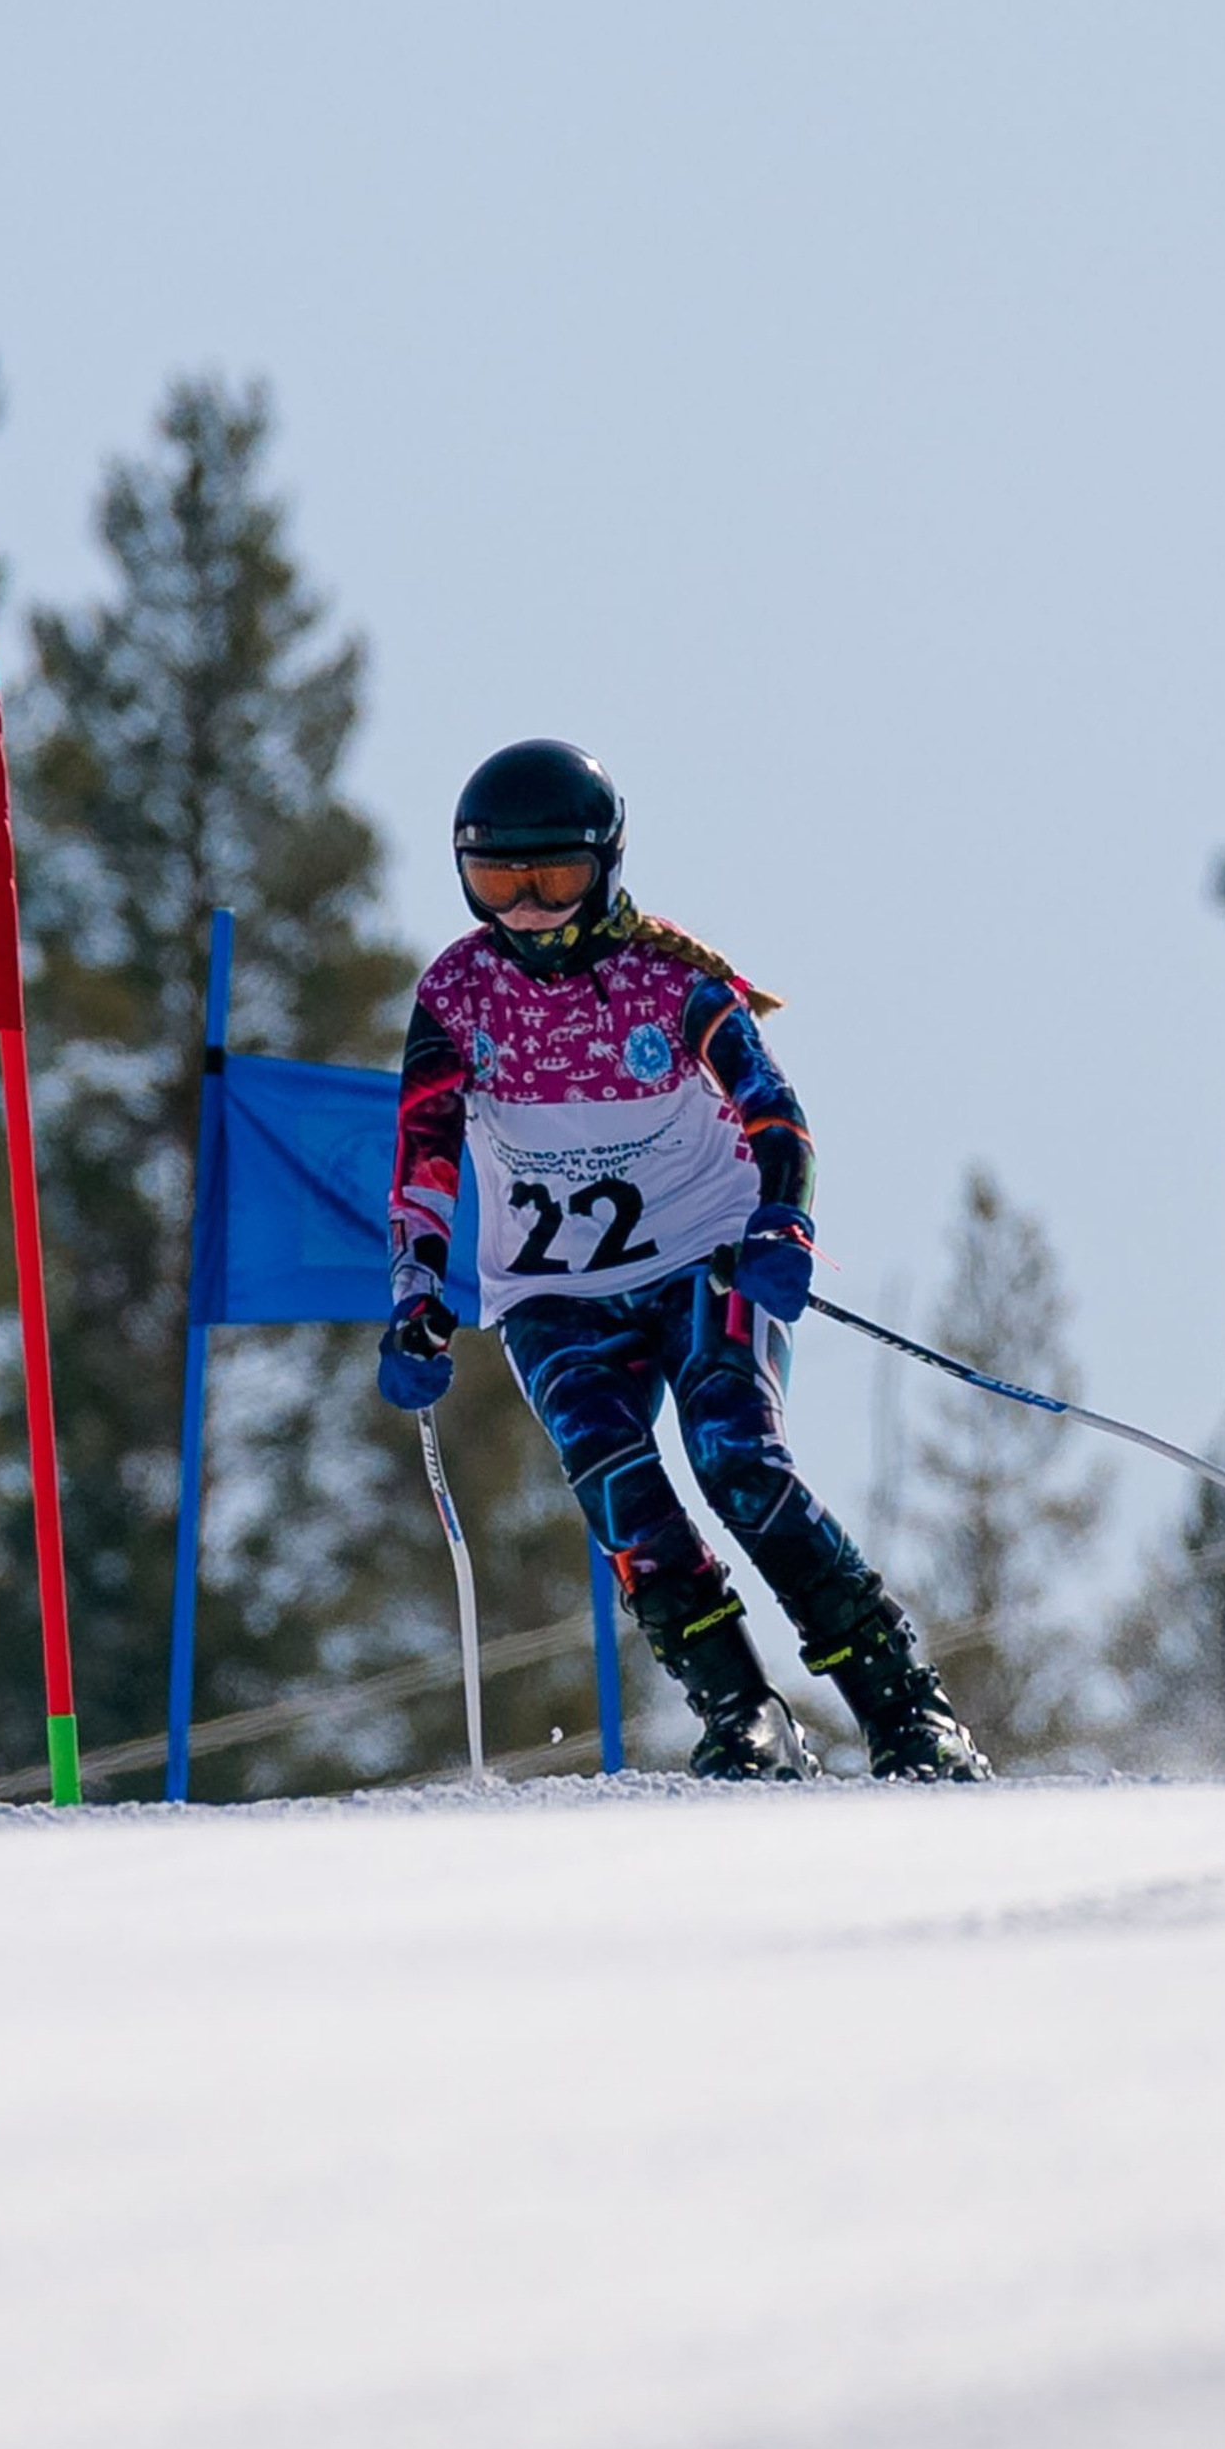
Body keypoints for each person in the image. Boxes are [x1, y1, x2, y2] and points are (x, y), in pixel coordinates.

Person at [379, 739, 989, 1782]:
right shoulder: (456, 994)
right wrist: (418, 1290)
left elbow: (775, 1116)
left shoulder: (671, 982)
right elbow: (425, 1151)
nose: (527, 910)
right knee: (622, 1493)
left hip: (701, 1265)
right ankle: (745, 1712)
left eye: (552, 879)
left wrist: (781, 1223)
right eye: (498, 883)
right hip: (553, 1295)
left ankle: (906, 1708)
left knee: (737, 1462)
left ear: (605, 868)